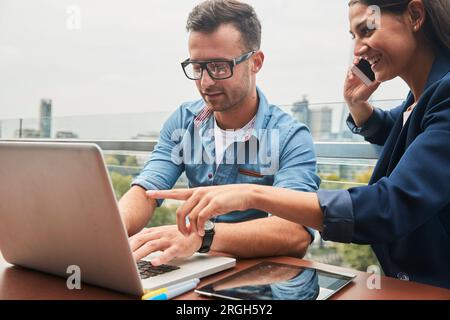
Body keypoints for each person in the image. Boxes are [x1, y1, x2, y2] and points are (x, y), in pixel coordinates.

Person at [147, 0, 450, 289]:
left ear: (414, 16)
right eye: (354, 36)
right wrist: (357, 105)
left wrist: (250, 194)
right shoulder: (420, 99)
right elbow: (406, 131)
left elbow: (389, 206)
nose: (358, 49)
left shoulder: (444, 94)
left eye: (367, 31)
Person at [119, 0, 320, 266]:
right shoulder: (184, 121)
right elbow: (147, 189)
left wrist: (203, 238)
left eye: (219, 67)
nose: (206, 82)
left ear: (256, 62)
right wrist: (109, 230)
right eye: (198, 67)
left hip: (257, 280)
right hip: (193, 270)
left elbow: (296, 234)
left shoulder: (289, 137)